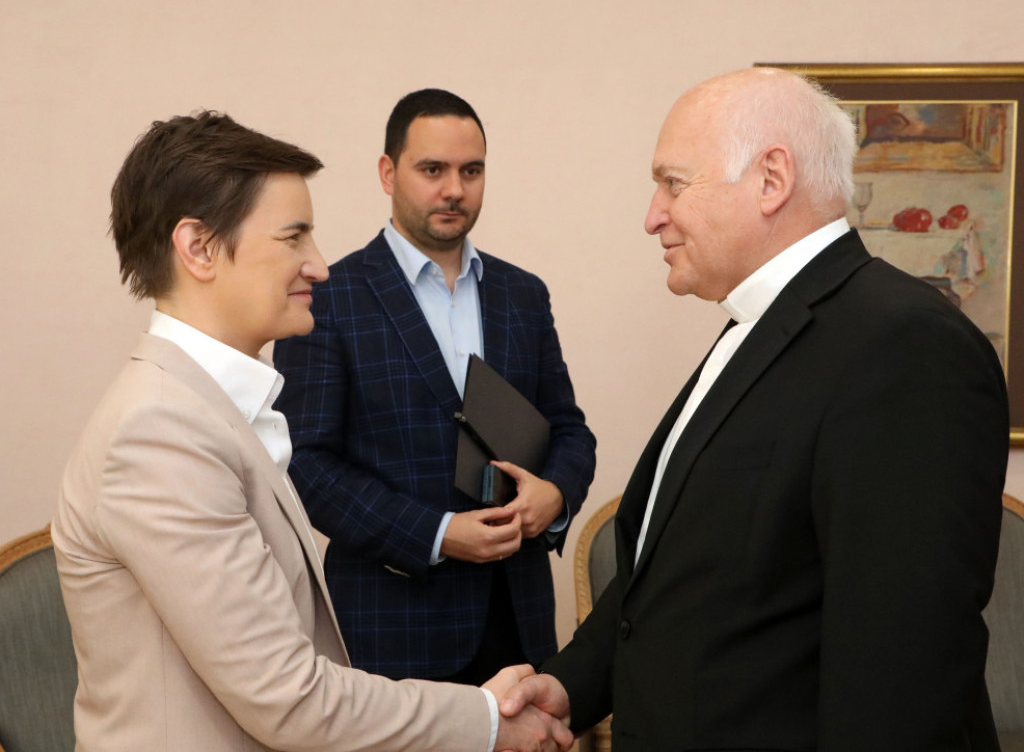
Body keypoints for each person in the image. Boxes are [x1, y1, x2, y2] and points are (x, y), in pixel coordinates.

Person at [500, 67, 1009, 750]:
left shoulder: (905, 348)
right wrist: (568, 685)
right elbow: (679, 574)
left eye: (673, 183)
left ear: (771, 180)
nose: (652, 215)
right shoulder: (763, 328)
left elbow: (902, 670)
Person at [51, 110, 572, 752]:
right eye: (293, 237)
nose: (319, 266)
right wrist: (489, 720)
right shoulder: (159, 432)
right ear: (199, 248)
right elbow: (289, 697)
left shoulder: (206, 408)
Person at [273, 89, 596, 685]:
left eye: (471, 171)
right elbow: (305, 465)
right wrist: (437, 535)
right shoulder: (328, 299)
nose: (454, 189)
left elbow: (569, 430)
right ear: (387, 173)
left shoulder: (523, 294)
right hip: (392, 633)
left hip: (518, 619)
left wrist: (555, 495)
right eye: (432, 170)